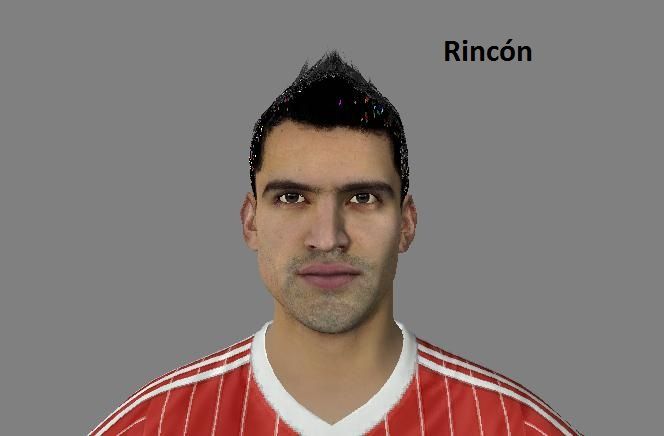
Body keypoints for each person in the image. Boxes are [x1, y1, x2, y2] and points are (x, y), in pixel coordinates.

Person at [89, 51, 583, 436]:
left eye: (363, 198)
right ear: (250, 221)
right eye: (292, 197)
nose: (328, 237)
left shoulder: (517, 426)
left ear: (407, 223)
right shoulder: (148, 425)